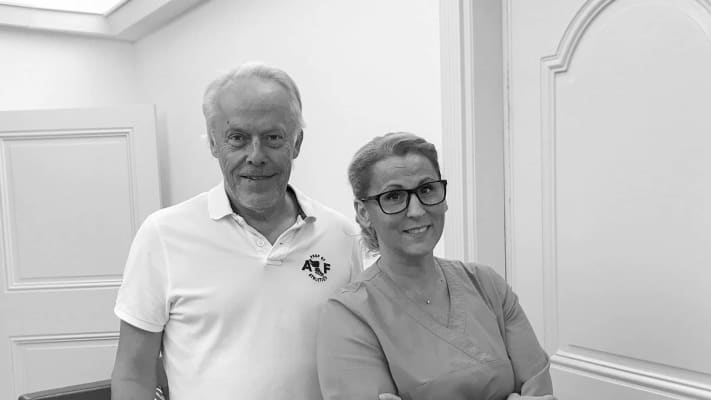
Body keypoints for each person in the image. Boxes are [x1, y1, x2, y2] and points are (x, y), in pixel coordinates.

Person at [110, 63, 366, 399]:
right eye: (238, 138)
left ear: (297, 143)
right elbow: (133, 373)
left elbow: (358, 358)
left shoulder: (341, 236)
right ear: (214, 143)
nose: (255, 156)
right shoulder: (163, 235)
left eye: (273, 138)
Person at [317, 132, 556, 400]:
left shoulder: (487, 285)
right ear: (364, 213)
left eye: (427, 189)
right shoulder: (349, 315)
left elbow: (540, 389)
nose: (417, 210)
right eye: (394, 196)